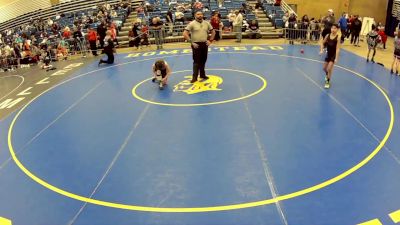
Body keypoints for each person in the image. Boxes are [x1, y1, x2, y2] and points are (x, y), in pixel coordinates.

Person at [183, 11, 216, 83]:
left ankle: (202, 75)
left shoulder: (207, 23)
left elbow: (213, 32)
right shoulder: (192, 23)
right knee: (196, 61)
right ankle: (194, 77)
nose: (200, 15)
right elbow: (185, 33)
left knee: (203, 60)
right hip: (196, 44)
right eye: (198, 14)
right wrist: (191, 42)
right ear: (195, 16)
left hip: (204, 44)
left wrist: (210, 40)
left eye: (201, 14)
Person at [320, 24, 341, 89]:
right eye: (332, 28)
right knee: (324, 68)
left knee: (329, 69)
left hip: (333, 55)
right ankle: (327, 75)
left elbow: (337, 48)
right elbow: (322, 43)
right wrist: (321, 50)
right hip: (328, 54)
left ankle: (327, 82)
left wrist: (336, 58)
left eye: (335, 28)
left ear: (337, 29)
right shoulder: (327, 35)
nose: (333, 29)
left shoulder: (338, 37)